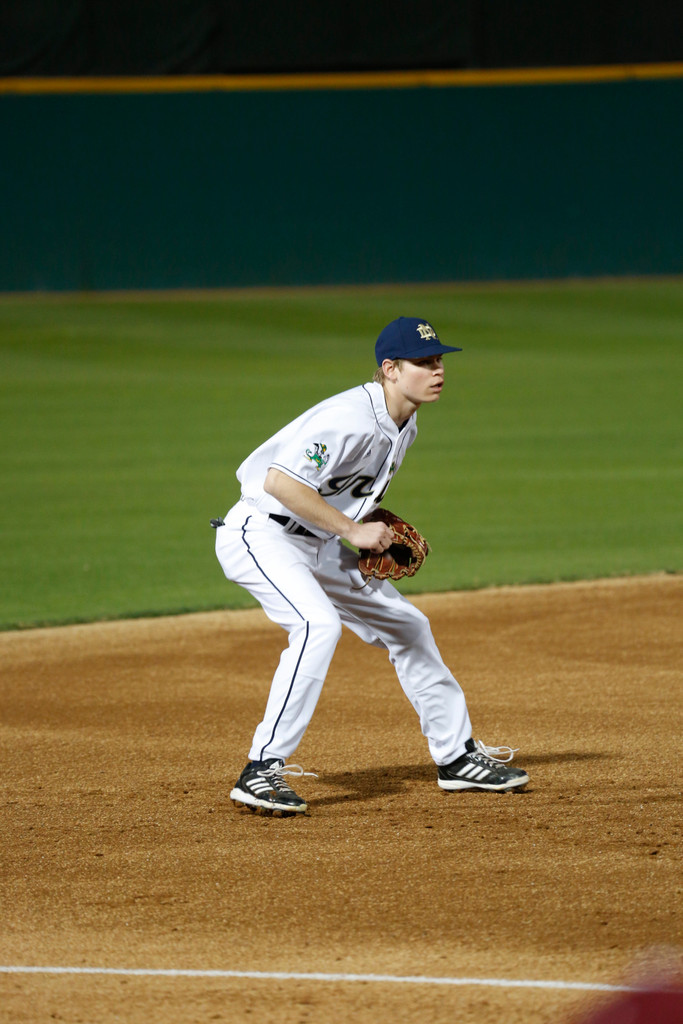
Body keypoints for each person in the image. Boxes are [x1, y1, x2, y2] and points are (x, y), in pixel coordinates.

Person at [213, 316, 529, 815]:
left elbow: (340, 490)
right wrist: (353, 530)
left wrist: (359, 525)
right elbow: (280, 483)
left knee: (409, 626)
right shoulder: (349, 417)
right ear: (390, 369)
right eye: (423, 362)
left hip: (317, 543)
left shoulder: (405, 423)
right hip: (262, 533)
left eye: (439, 360)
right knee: (317, 625)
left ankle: (456, 758)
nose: (437, 370)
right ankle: (261, 768)